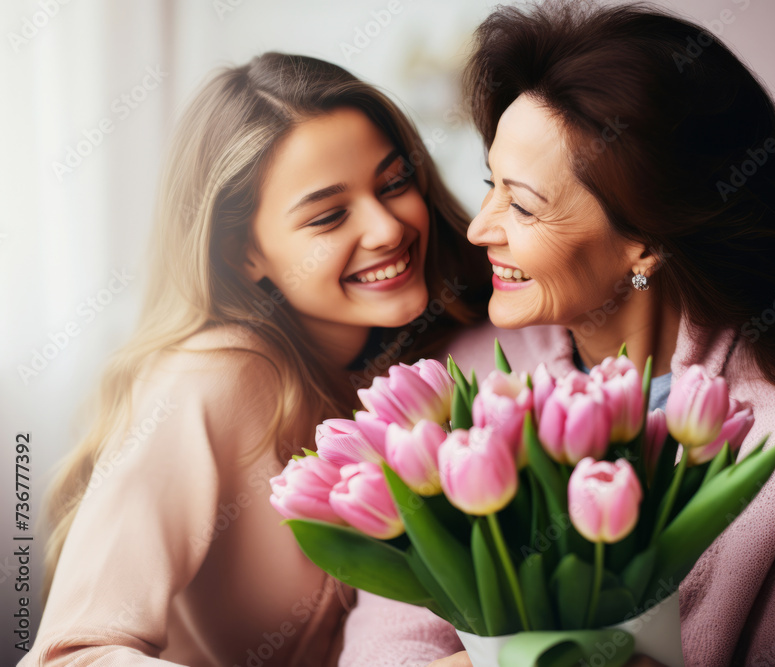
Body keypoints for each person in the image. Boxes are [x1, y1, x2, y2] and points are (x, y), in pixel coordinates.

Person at [337, 2, 775, 665]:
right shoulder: (456, 383)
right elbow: (387, 646)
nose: (480, 228)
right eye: (488, 184)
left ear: (646, 241)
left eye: (523, 204)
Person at [21, 52, 491, 666]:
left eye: (395, 183)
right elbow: (70, 656)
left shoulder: (446, 356)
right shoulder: (208, 381)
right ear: (246, 255)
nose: (386, 228)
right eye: (328, 216)